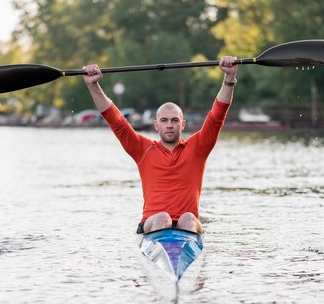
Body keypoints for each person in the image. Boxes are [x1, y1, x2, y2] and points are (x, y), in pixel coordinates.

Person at [83, 56, 238, 234]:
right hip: (152, 225)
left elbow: (217, 115)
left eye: (174, 120)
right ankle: (162, 256)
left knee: (188, 218)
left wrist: (229, 79)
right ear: (156, 125)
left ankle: (179, 254)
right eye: (164, 120)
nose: (170, 125)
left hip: (187, 227)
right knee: (162, 217)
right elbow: (115, 119)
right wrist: (93, 86)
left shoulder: (199, 147)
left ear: (183, 124)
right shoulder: (142, 149)